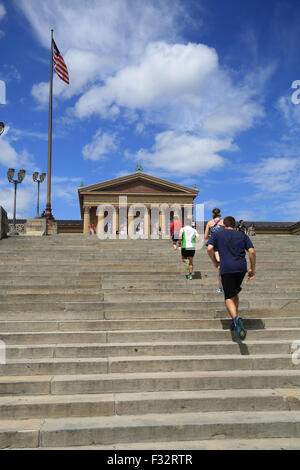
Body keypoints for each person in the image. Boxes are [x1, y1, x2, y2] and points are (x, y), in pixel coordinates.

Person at [206, 216, 256, 341]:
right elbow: (252, 252)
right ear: (235, 225)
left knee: (228, 297)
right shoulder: (242, 235)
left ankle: (235, 319)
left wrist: (215, 262)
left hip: (227, 267)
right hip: (241, 268)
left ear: (224, 225)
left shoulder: (218, 234)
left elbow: (209, 248)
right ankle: (235, 319)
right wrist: (252, 269)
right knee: (234, 293)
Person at [204, 208, 225, 293]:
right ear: (220, 214)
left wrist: (212, 237)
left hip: (215, 247)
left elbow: (205, 236)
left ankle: (220, 287)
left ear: (212, 214)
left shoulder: (209, 222)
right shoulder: (223, 221)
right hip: (224, 245)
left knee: (219, 266)